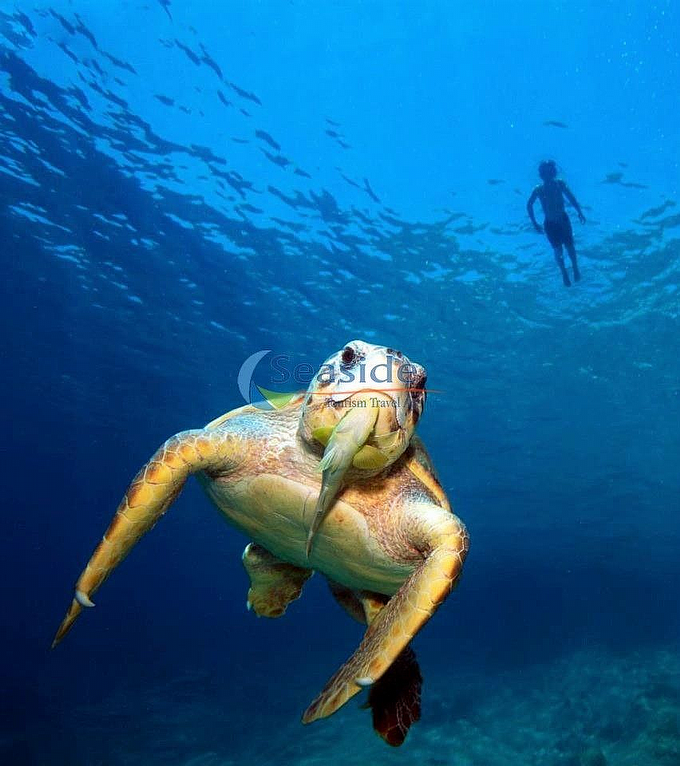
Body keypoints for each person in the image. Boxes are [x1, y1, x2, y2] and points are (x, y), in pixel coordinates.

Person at [527, 160, 586, 287]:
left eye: (550, 172)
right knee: (558, 249)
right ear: (542, 175)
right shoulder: (539, 190)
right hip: (550, 224)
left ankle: (575, 267)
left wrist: (579, 211)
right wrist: (534, 223)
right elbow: (529, 205)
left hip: (563, 221)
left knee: (570, 247)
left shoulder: (560, 184)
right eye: (545, 173)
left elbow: (571, 198)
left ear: (553, 172)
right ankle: (564, 272)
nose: (548, 175)